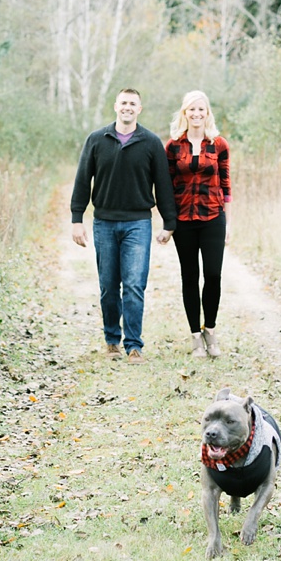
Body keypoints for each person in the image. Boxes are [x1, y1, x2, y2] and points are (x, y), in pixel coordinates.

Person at [71, 88, 176, 362]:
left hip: (138, 224)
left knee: (133, 286)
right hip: (104, 222)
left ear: (139, 109)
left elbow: (163, 185)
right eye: (124, 103)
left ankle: (133, 345)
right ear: (116, 106)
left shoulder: (151, 142)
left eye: (133, 104)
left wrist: (169, 222)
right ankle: (111, 341)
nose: (128, 107)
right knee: (108, 285)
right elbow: (83, 180)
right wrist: (76, 219)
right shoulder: (97, 139)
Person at [165, 90, 231, 357]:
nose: (196, 114)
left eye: (201, 109)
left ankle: (210, 332)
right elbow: (167, 187)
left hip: (213, 217)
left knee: (213, 275)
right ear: (184, 113)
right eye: (191, 109)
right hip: (184, 220)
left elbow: (226, 185)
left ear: (207, 113)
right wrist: (168, 224)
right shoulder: (172, 146)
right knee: (190, 277)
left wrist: (229, 223)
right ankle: (195, 337)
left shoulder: (219, 144)